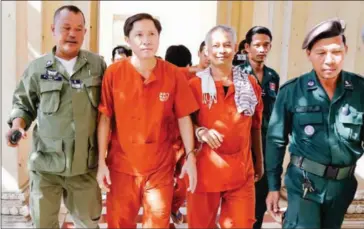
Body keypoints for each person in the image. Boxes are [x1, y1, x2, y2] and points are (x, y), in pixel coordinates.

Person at [6, 5, 107, 228]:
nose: (72, 34)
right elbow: (23, 104)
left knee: (89, 224)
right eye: (66, 27)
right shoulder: (37, 68)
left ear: (85, 33)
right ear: (53, 29)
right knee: (43, 224)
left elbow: (107, 111)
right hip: (45, 166)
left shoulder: (97, 66)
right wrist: (17, 126)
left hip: (84, 166)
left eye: (79, 29)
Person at [96, 13, 199, 228]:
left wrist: (190, 156)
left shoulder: (172, 74)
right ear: (127, 40)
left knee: (157, 223)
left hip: (159, 167)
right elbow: (105, 118)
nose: (146, 40)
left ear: (159, 37)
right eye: (139, 34)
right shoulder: (114, 73)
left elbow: (183, 117)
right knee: (119, 223)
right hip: (122, 166)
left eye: (152, 33)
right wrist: (101, 162)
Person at [265, 18, 364, 228]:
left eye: (336, 52)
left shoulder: (360, 90)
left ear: (345, 50)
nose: (329, 60)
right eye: (321, 53)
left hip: (343, 186)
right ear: (309, 54)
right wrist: (273, 187)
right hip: (304, 183)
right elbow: (275, 140)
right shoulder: (292, 91)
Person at [186, 25, 264, 228]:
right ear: (207, 51)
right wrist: (200, 131)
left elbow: (255, 126)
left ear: (236, 47)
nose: (222, 50)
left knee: (242, 223)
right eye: (216, 45)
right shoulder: (195, 86)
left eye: (227, 45)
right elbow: (183, 124)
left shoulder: (250, 85)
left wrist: (259, 162)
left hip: (241, 171)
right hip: (204, 173)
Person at [239, 26, 280, 229]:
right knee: (239, 200)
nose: (262, 49)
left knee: (260, 195)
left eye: (266, 45)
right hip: (243, 144)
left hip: (266, 144)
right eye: (257, 45)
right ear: (247, 47)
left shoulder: (273, 77)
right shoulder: (236, 74)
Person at [164, 44, 194, 224]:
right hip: (186, 140)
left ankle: (166, 212)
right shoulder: (193, 77)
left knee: (163, 183)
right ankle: (173, 209)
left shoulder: (163, 75)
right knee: (183, 180)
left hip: (164, 139)